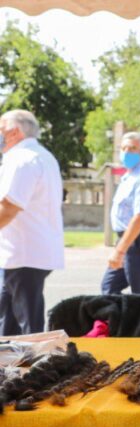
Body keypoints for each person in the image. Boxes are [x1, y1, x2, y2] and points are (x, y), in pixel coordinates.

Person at [0, 110, 64, 335]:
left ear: (14, 131)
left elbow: (8, 207)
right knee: (9, 320)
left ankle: (37, 367)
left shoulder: (22, 160)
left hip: (23, 254)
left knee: (29, 326)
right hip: (28, 252)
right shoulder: (42, 156)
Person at [101, 132, 140, 295]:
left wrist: (120, 250)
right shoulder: (130, 176)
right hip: (128, 239)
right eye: (123, 148)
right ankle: (122, 320)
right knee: (109, 287)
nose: (127, 152)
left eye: (133, 148)